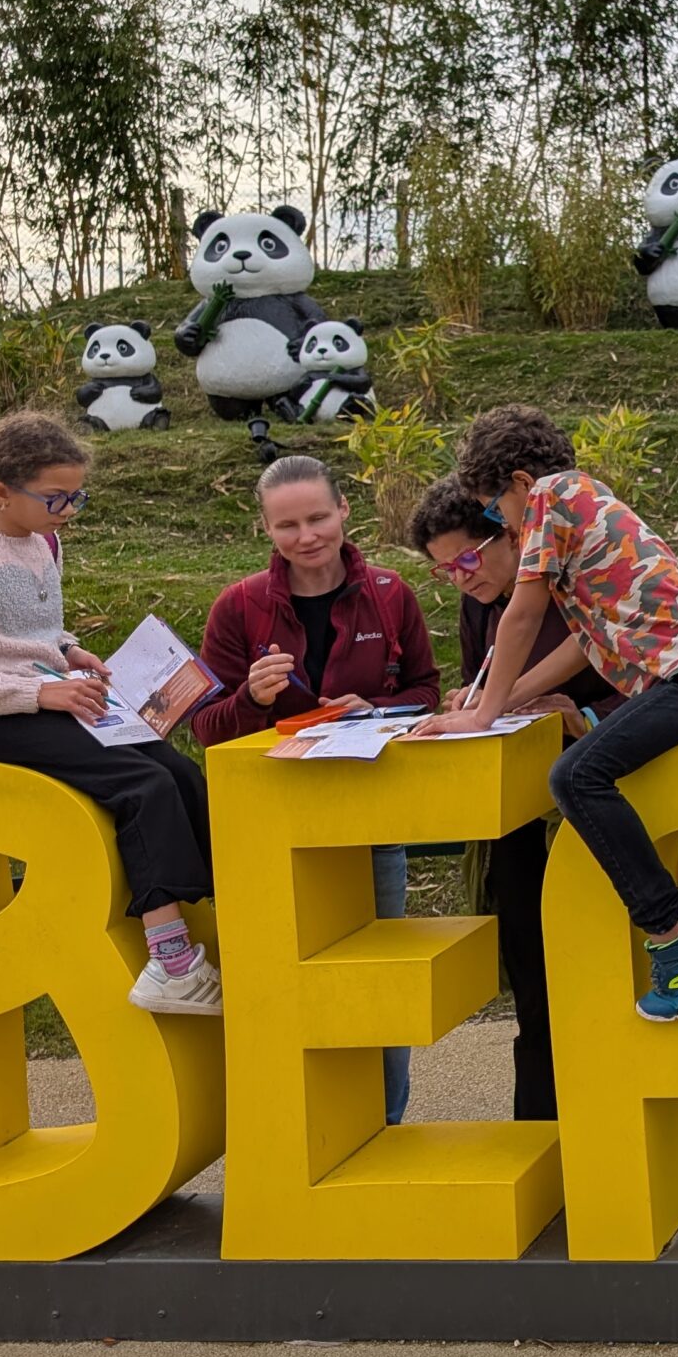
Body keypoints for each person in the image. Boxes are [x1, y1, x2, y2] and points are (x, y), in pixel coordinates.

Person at [414, 406, 678, 1023]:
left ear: (520, 483)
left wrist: (482, 714)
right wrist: (505, 698)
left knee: (575, 776)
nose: (503, 523)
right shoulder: (582, 501)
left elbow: (523, 616)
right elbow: (581, 640)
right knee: (598, 764)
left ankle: (672, 929)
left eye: (495, 510)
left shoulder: (550, 498)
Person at [0, 412, 221, 1014]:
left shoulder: (43, 540)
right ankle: (171, 963)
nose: (69, 510)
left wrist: (69, 651)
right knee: (141, 784)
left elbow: (25, 630)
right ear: (0, 492)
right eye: (56, 498)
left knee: (178, 771)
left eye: (77, 496)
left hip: (47, 698)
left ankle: (230, 919)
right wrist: (39, 694)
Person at [192, 454, 437, 1122]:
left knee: (378, 983)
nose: (306, 537)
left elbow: (426, 693)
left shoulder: (391, 593)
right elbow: (205, 728)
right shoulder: (238, 606)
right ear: (266, 529)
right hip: (271, 832)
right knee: (280, 989)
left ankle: (384, 1125)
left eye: (318, 518)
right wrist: (251, 698)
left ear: (344, 511)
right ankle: (297, 1132)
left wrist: (377, 710)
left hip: (368, 822)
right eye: (287, 525)